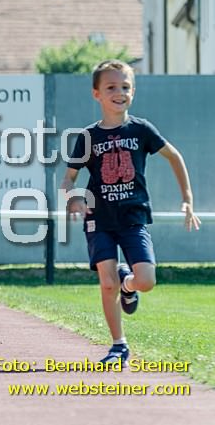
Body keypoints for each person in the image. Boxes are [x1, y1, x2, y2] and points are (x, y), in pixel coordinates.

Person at [61, 59, 200, 367]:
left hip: (133, 218)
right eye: (111, 87)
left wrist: (187, 199)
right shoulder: (88, 137)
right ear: (96, 94)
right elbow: (68, 178)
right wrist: (73, 198)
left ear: (133, 92)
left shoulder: (141, 129)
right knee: (106, 282)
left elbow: (174, 156)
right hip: (99, 219)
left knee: (146, 280)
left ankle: (128, 285)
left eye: (125, 87)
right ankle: (118, 345)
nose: (119, 92)